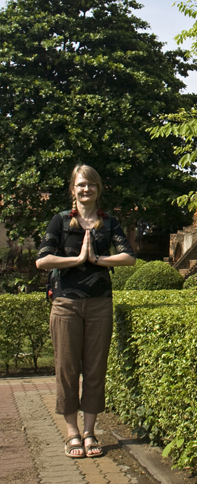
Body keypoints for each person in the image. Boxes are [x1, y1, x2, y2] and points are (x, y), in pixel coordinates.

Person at [36, 164, 136, 458]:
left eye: (91, 185)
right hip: (66, 304)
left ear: (98, 189)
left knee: (95, 369)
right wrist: (78, 259)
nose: (86, 189)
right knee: (67, 370)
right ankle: (72, 434)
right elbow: (43, 260)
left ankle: (91, 432)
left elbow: (129, 257)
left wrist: (99, 259)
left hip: (100, 303)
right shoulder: (62, 221)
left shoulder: (109, 223)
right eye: (81, 185)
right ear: (73, 189)